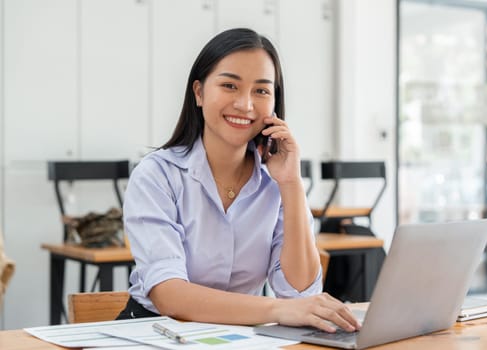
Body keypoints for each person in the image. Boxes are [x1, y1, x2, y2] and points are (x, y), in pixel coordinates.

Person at [118, 27, 361, 333]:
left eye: (261, 90)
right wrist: (278, 309)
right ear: (199, 92)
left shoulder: (275, 182)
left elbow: (300, 291)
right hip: (155, 333)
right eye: (230, 85)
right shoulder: (157, 175)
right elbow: (170, 295)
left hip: (237, 336)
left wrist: (291, 183)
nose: (245, 105)